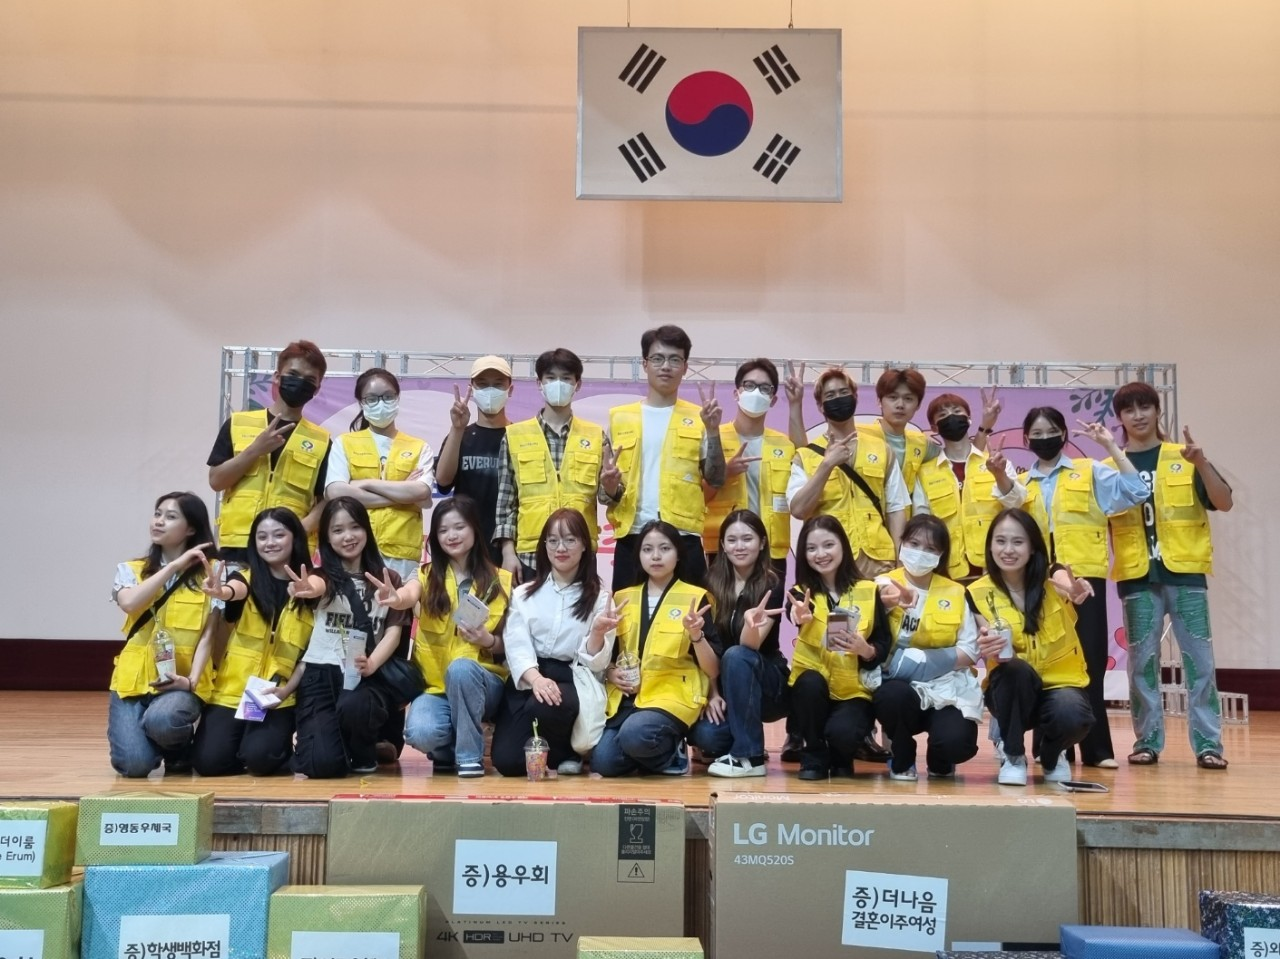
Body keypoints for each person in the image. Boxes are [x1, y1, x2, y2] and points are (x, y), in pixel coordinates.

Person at [1108, 382, 1234, 770]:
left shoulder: (1184, 456)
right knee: (1141, 666)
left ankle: (1208, 745)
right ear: (1120, 418)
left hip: (1186, 575)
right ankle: (1147, 741)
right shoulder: (1110, 467)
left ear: (1158, 411)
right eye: (1129, 410)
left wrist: (1202, 463)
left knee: (1200, 664)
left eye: (1145, 407)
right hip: (1136, 577)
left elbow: (1224, 501)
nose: (1138, 415)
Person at [1019, 406, 1147, 769]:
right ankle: (1050, 745)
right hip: (1040, 582)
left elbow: (1137, 491)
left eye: (1051, 431)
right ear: (1026, 440)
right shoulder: (1021, 484)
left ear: (1064, 434)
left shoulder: (1090, 471)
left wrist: (1111, 446)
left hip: (1084, 580)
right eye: (1036, 434)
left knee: (1089, 661)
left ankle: (1097, 749)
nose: (1044, 438)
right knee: (1046, 662)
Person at [287, 498, 417, 778]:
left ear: (366, 530)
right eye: (337, 530)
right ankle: (333, 744)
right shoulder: (322, 576)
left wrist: (372, 664)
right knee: (322, 766)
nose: (348, 536)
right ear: (326, 537)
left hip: (364, 675)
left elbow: (393, 633)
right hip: (320, 674)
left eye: (355, 527)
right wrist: (307, 588)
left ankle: (362, 750)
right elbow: (316, 586)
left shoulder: (389, 578)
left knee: (355, 706)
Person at [969, 509, 1096, 786]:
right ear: (990, 546)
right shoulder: (976, 593)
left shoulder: (1053, 581)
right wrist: (990, 648)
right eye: (1000, 541)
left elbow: (1065, 579)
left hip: (1060, 684)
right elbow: (985, 640)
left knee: (1074, 715)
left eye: (1018, 542)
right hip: (1012, 689)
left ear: (1033, 547)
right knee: (1014, 670)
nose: (1008, 550)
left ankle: (1051, 755)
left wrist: (1074, 590)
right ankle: (1013, 755)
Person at [190, 508, 317, 777]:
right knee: (208, 763)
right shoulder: (245, 578)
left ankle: (269, 749)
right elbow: (235, 591)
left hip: (277, 695)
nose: (270, 543)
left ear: (295, 538)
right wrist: (222, 592)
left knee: (261, 759)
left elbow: (311, 653)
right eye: (262, 537)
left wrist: (286, 691)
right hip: (231, 691)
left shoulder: (312, 587)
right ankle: (244, 748)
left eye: (279, 535)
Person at [601, 325, 726, 592]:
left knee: (692, 614)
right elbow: (605, 494)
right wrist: (609, 487)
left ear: (685, 367)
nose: (666, 366)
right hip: (632, 535)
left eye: (674, 359)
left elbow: (716, 478)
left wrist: (714, 431)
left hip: (684, 536)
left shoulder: (700, 417)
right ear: (645, 364)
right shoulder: (619, 417)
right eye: (657, 358)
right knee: (627, 615)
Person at [393, 496, 512, 777]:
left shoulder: (501, 580)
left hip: (484, 681)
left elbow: (509, 644)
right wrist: (396, 598)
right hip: (435, 687)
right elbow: (408, 594)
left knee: (461, 669)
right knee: (420, 733)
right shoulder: (425, 575)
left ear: (474, 529)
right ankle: (445, 751)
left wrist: (487, 640)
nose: (452, 535)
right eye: (443, 530)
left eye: (459, 527)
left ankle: (469, 758)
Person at [491, 508, 614, 777]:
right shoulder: (523, 594)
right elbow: (516, 645)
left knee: (545, 704)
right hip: (529, 675)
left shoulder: (600, 598)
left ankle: (564, 753)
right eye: (553, 540)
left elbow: (598, 663)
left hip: (571, 676)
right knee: (508, 762)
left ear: (584, 545)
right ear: (544, 545)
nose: (561, 548)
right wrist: (536, 679)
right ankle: (542, 744)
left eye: (570, 540)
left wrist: (596, 634)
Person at [593, 521, 720, 776]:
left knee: (635, 734)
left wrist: (697, 636)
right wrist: (610, 672)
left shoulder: (696, 598)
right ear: (638, 556)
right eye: (647, 549)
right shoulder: (621, 597)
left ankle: (670, 749)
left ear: (678, 554)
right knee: (603, 763)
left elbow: (713, 668)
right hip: (629, 697)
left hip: (672, 696)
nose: (656, 556)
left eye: (665, 548)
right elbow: (609, 656)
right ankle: (655, 753)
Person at [109, 492, 219, 777]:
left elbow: (208, 635)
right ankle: (153, 741)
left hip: (179, 682)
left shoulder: (211, 574)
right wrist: (173, 566)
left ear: (191, 529)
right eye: (157, 514)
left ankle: (176, 746)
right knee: (134, 765)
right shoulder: (131, 570)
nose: (158, 521)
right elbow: (130, 603)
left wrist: (191, 681)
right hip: (133, 682)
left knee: (164, 720)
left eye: (170, 517)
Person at [872, 515, 981, 781]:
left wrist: (921, 661)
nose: (920, 552)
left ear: (941, 555)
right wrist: (887, 605)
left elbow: (969, 651)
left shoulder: (957, 592)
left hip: (947, 687)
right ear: (902, 543)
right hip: (900, 685)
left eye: (930, 548)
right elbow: (874, 640)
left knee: (956, 742)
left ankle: (940, 759)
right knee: (891, 697)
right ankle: (902, 756)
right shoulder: (882, 585)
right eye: (914, 543)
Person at [786, 515, 892, 780]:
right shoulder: (801, 592)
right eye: (811, 548)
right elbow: (795, 611)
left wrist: (866, 650)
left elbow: (882, 642)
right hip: (812, 689)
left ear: (843, 545)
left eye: (828, 545)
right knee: (809, 684)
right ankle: (813, 755)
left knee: (843, 733)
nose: (820, 554)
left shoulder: (869, 590)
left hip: (854, 691)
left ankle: (841, 755)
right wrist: (798, 615)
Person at [207, 340, 331, 564]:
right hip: (239, 544)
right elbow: (216, 481)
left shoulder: (321, 440)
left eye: (309, 380)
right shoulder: (238, 423)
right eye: (293, 374)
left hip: (291, 549)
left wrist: (301, 529)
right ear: (277, 377)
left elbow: (326, 499)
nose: (300, 383)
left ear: (317, 388)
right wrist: (254, 450)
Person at [689, 511, 789, 778]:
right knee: (706, 736)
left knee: (736, 655)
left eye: (747, 539)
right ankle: (742, 738)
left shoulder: (771, 583)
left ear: (762, 542)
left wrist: (750, 625)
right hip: (727, 686)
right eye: (732, 540)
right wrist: (712, 693)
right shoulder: (710, 583)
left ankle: (749, 757)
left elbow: (749, 647)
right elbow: (710, 646)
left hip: (768, 682)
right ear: (722, 545)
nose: (739, 546)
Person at [494, 349, 606, 583]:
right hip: (529, 555)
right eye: (551, 378)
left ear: (578, 384)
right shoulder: (515, 436)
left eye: (566, 378)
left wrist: (613, 486)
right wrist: (508, 553)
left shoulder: (596, 435)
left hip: (581, 554)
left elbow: (607, 497)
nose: (558, 384)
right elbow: (506, 502)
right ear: (540, 383)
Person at [788, 368, 908, 578]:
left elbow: (896, 508)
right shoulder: (806, 456)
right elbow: (798, 510)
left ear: (855, 397)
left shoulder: (881, 449)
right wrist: (826, 465)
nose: (838, 399)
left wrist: (900, 563)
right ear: (820, 406)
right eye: (830, 395)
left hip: (880, 563)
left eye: (844, 392)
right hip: (830, 565)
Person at [324, 368, 434, 582]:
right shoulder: (344, 443)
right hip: (355, 549)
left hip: (402, 552)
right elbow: (335, 492)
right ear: (361, 403)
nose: (381, 403)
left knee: (400, 602)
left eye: (388, 396)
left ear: (397, 398)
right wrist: (402, 495)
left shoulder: (419, 447)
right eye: (372, 398)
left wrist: (363, 483)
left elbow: (421, 491)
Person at [912, 393, 1026, 581]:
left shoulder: (996, 462)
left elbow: (1017, 504)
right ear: (934, 427)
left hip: (995, 570)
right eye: (943, 415)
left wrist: (1000, 475)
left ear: (969, 418)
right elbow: (921, 524)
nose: (951, 417)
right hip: (946, 573)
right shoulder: (925, 473)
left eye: (957, 411)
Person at [701, 359, 798, 578]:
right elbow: (697, 499)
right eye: (749, 385)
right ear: (736, 393)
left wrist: (796, 405)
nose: (756, 392)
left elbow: (805, 474)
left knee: (769, 602)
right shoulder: (713, 437)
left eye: (764, 388)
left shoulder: (784, 444)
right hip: (724, 548)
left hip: (771, 549)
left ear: (773, 399)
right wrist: (725, 473)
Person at [435, 356, 514, 567]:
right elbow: (443, 482)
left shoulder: (520, 437)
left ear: (510, 389)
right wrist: (457, 428)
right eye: (483, 384)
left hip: (509, 548)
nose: (490, 390)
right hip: (465, 548)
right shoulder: (461, 435)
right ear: (472, 388)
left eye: (498, 384)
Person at [858, 368, 937, 502]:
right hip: (868, 513)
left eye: (908, 399)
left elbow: (959, 457)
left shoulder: (922, 444)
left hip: (905, 514)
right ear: (879, 401)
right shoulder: (859, 436)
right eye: (893, 397)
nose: (900, 405)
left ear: (918, 405)